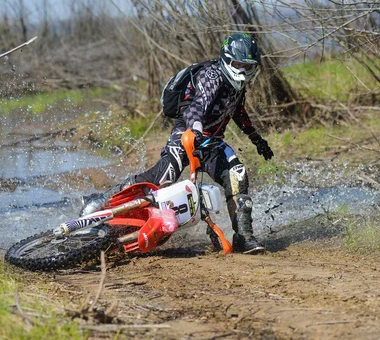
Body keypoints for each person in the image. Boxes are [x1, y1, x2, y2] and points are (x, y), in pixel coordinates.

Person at [82, 33, 273, 254]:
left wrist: (257, 140)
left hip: (211, 141)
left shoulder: (236, 87)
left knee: (237, 174)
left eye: (248, 67)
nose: (243, 72)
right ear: (227, 60)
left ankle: (244, 237)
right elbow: (197, 108)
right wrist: (197, 131)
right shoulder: (211, 75)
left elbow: (238, 112)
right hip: (188, 132)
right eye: (238, 65)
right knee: (165, 176)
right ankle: (102, 202)